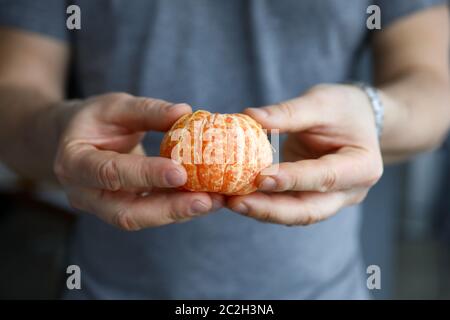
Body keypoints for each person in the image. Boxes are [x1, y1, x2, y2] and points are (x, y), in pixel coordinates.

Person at [0, 0, 448, 299]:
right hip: (112, 285)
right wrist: (58, 129)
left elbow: (434, 84)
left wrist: (372, 111)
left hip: (321, 287)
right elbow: (14, 90)